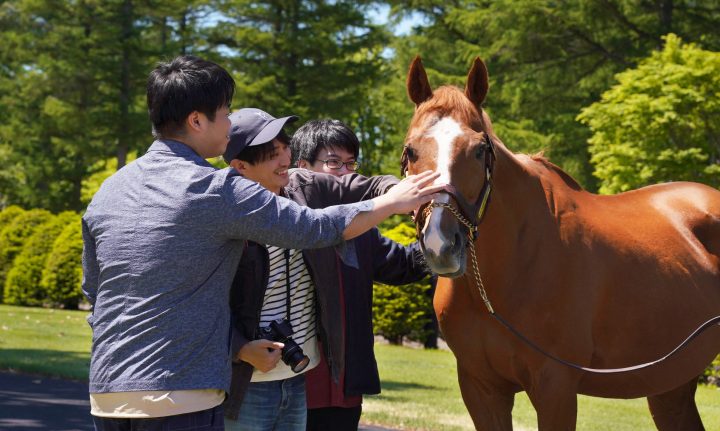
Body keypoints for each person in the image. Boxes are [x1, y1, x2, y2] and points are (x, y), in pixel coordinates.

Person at [81, 56, 444, 431]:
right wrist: (392, 202)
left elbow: (95, 292)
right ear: (196, 120)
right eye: (224, 112)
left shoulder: (110, 190)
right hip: (179, 393)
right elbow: (313, 229)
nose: (228, 122)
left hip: (108, 393)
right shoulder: (213, 187)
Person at [222, 110, 430, 431]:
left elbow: (371, 188)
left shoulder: (305, 188)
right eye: (271, 154)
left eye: (284, 148)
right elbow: (199, 302)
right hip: (250, 384)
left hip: (303, 380)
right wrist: (239, 348)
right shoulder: (219, 213)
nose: (283, 159)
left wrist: (407, 196)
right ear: (240, 167)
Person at [292, 119, 434, 430]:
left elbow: (404, 264)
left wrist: (444, 240)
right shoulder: (283, 224)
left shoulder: (361, 230)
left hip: (344, 386)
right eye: (333, 163)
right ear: (302, 167)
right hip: (289, 384)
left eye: (351, 164)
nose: (346, 173)